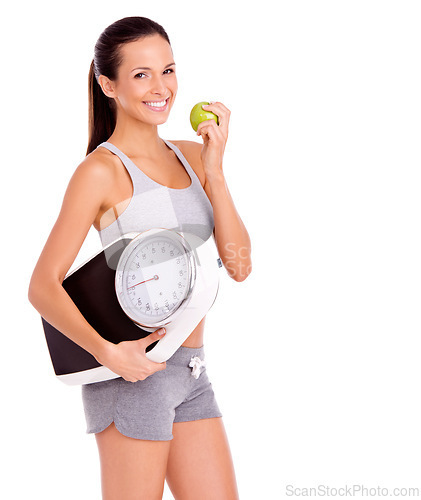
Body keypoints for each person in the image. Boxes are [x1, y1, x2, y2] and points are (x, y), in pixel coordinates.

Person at [28, 15, 252, 500]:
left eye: (168, 71)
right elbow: (42, 285)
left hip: (192, 370)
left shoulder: (194, 155)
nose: (161, 88)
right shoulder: (100, 172)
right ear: (108, 84)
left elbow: (239, 265)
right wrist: (108, 353)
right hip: (132, 375)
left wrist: (216, 172)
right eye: (141, 74)